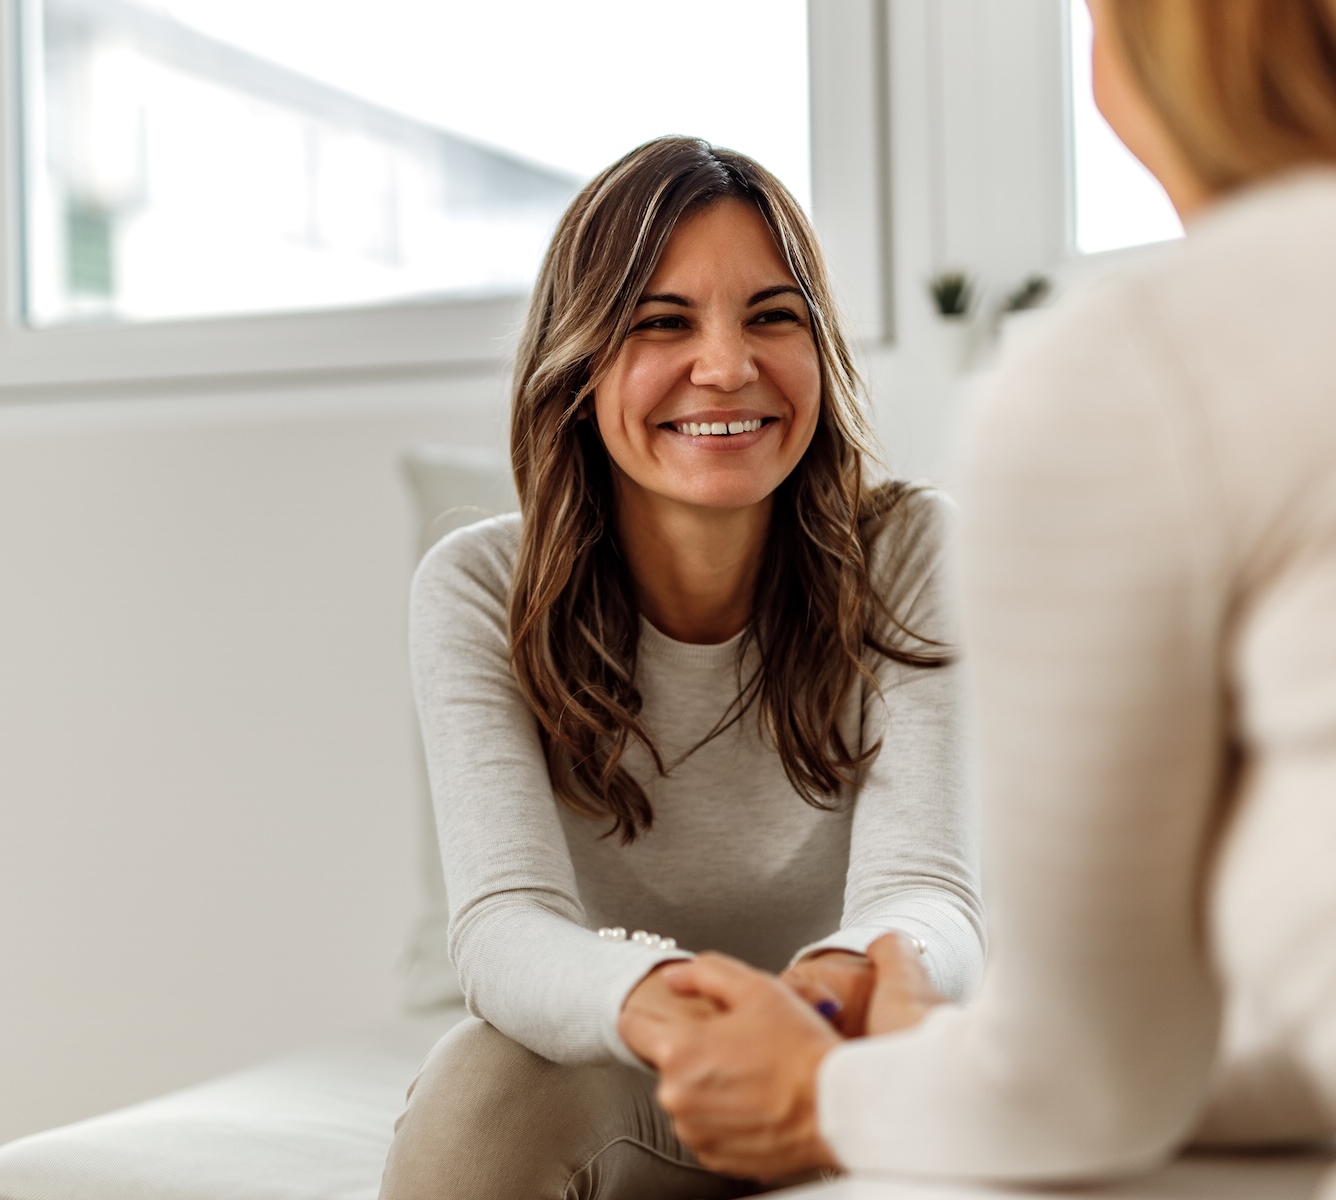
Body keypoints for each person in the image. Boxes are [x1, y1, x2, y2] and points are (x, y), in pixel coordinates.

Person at [622, 4, 1336, 1198]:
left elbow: (1084, 1085)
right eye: (662, 322)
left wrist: (822, 1092)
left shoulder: (1145, 369)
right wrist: (940, 1059)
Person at [377, 137, 984, 1199]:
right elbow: (503, 928)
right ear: (578, 366)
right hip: (638, 1066)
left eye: (771, 316)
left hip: (856, 1057)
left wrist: (821, 1002)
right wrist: (667, 1001)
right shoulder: (476, 588)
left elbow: (924, 893)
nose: (726, 366)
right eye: (663, 322)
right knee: (482, 1089)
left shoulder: (911, 551)